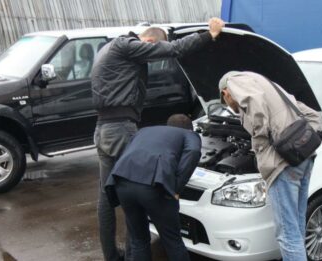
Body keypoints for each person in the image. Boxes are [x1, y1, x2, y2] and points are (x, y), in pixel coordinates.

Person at [91, 18, 224, 261]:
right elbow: (174, 49)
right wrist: (210, 35)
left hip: (103, 128)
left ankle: (112, 255)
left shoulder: (108, 48)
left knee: (109, 196)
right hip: (120, 128)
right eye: (153, 51)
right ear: (150, 42)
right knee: (134, 187)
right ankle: (132, 255)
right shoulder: (127, 46)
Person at [218, 71, 322, 261]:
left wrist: (260, 145)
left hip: (282, 166)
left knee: (287, 234)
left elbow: (257, 111)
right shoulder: (271, 87)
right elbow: (313, 116)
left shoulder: (235, 82)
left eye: (227, 103)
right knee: (296, 225)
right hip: (304, 158)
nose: (232, 108)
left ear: (226, 93)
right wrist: (300, 140)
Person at [104, 114, 201, 261]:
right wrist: (175, 187)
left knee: (138, 241)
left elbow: (127, 153)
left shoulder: (144, 131)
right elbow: (193, 151)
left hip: (121, 182)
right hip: (153, 186)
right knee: (172, 241)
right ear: (190, 128)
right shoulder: (189, 134)